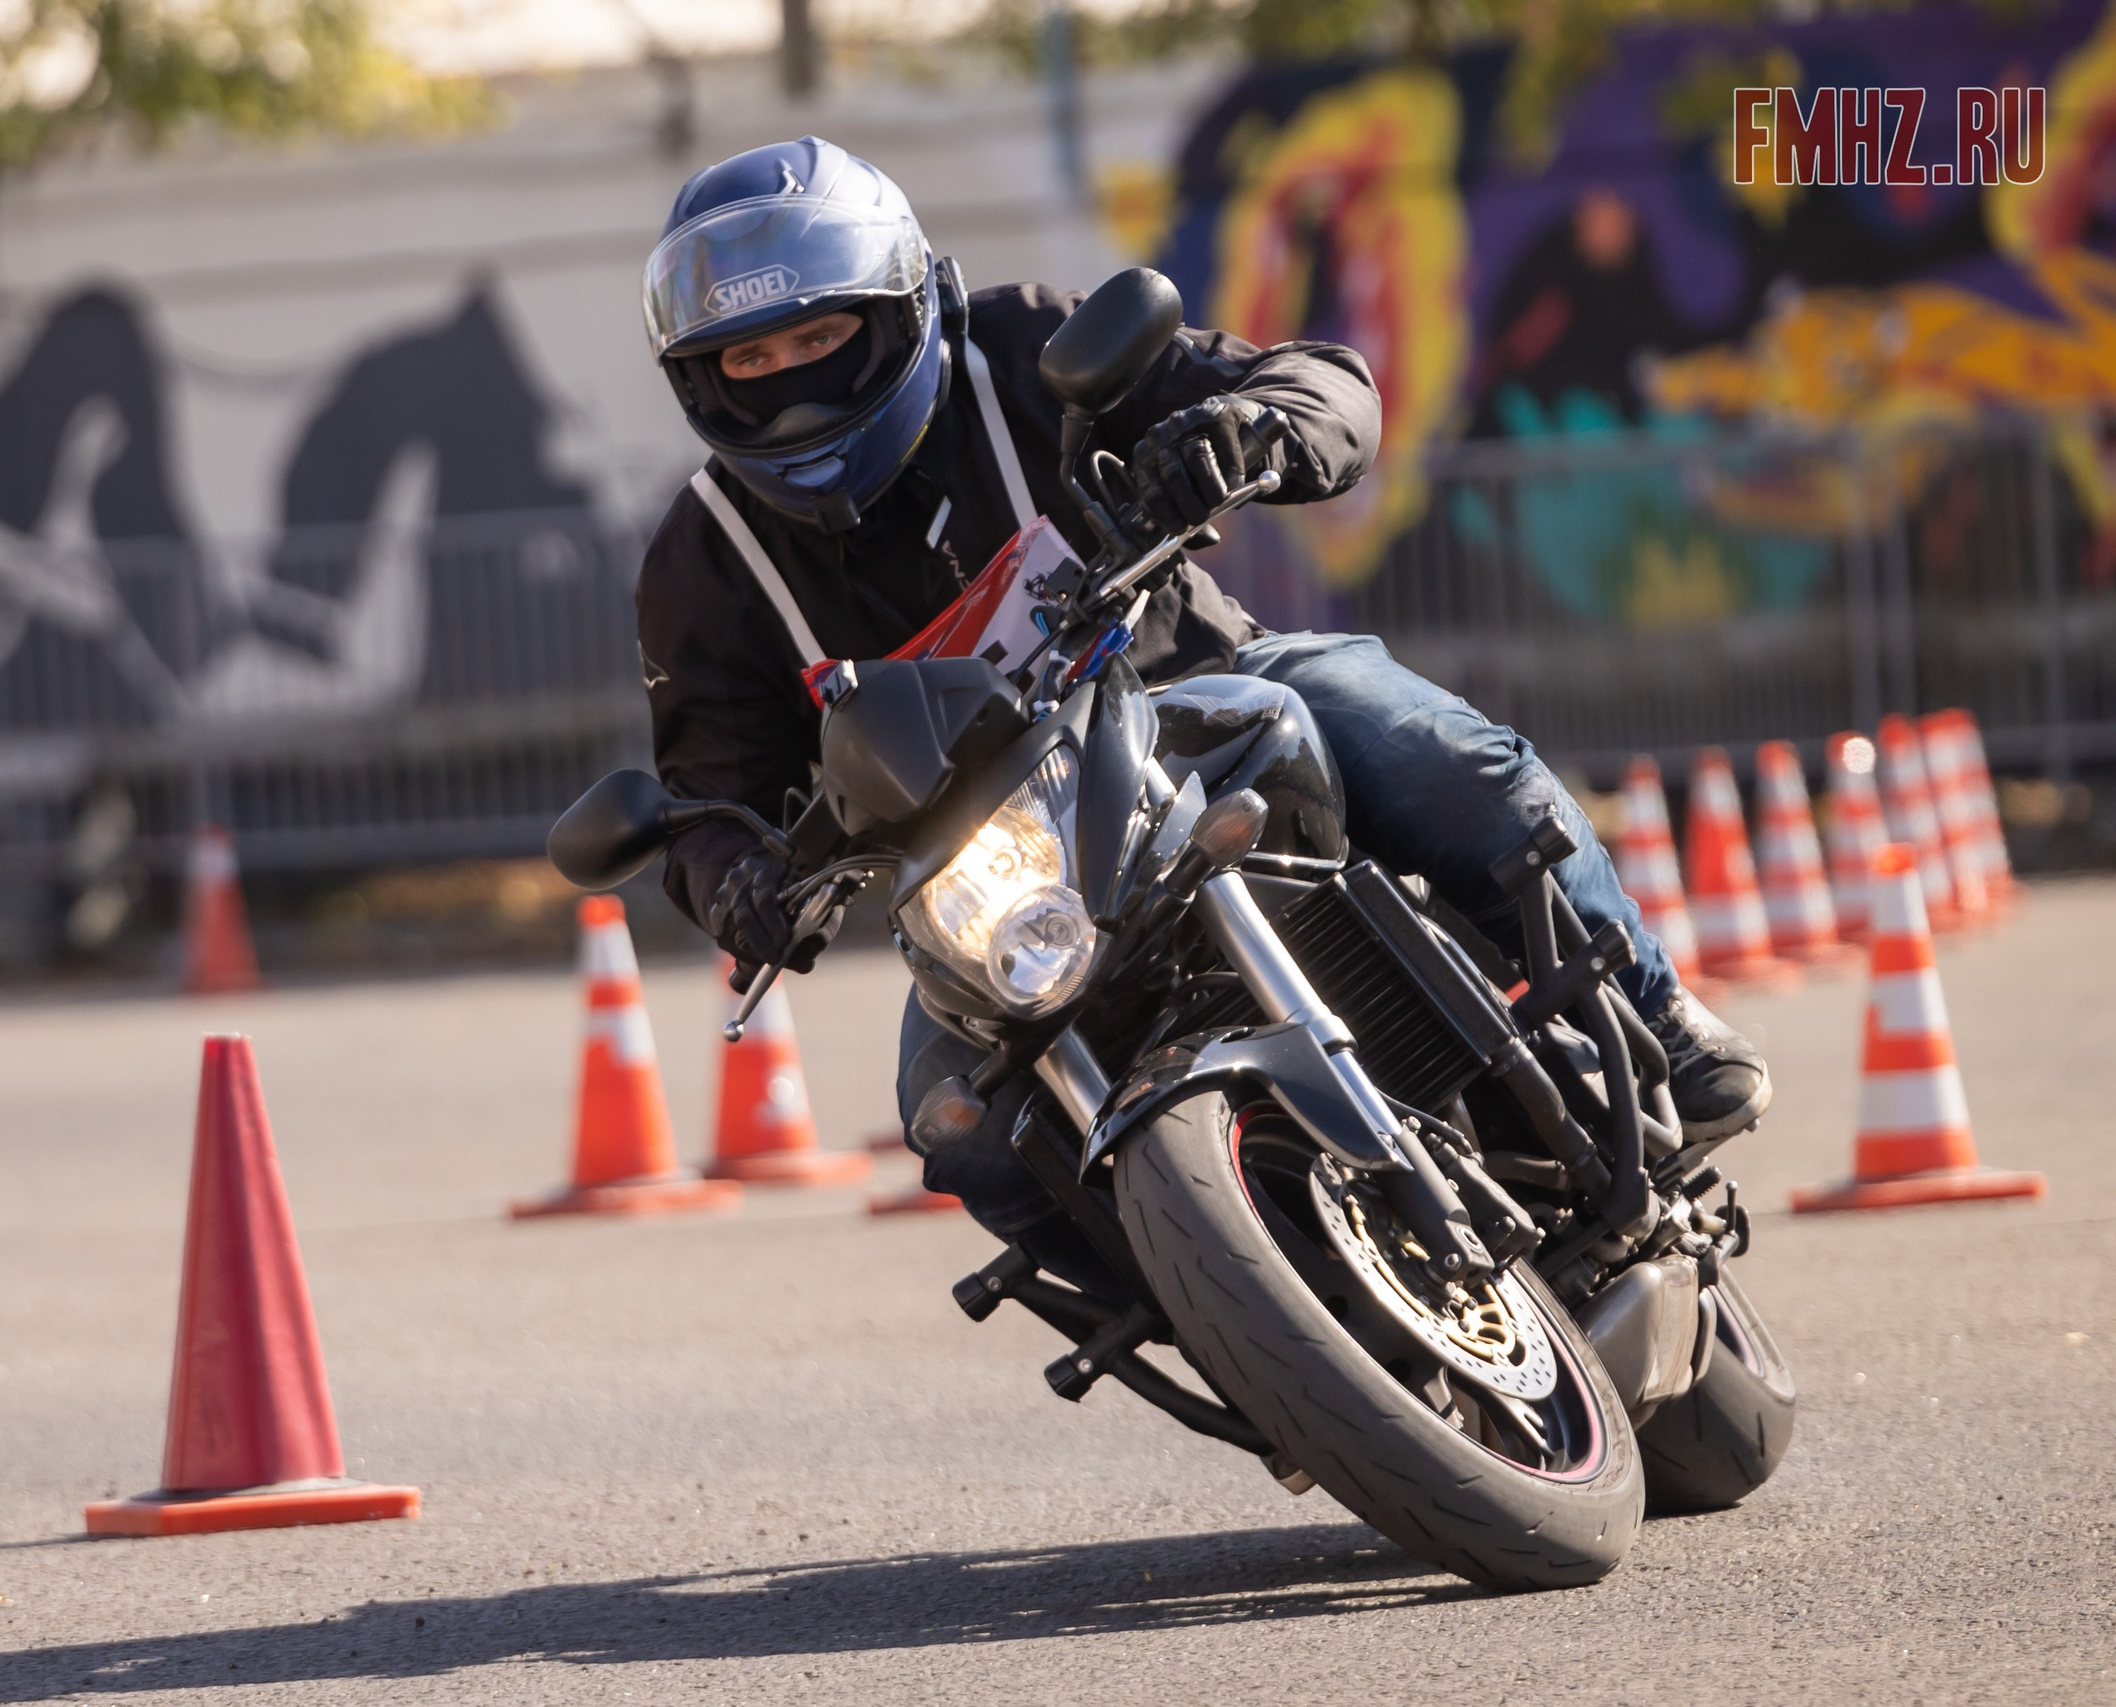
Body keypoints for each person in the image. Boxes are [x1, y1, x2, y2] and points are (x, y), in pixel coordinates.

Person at [631, 138, 1769, 1277]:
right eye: (750, 360)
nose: (790, 380)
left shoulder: (1024, 348)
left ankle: (1655, 1017)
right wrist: (736, 882)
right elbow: (707, 795)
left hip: (1210, 704)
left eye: (820, 339)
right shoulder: (705, 562)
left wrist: (1252, 428)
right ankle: (1222, 1311)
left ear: (899, 310)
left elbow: (1320, 379)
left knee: (1424, 748)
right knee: (953, 1125)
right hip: (1005, 875)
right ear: (700, 379)